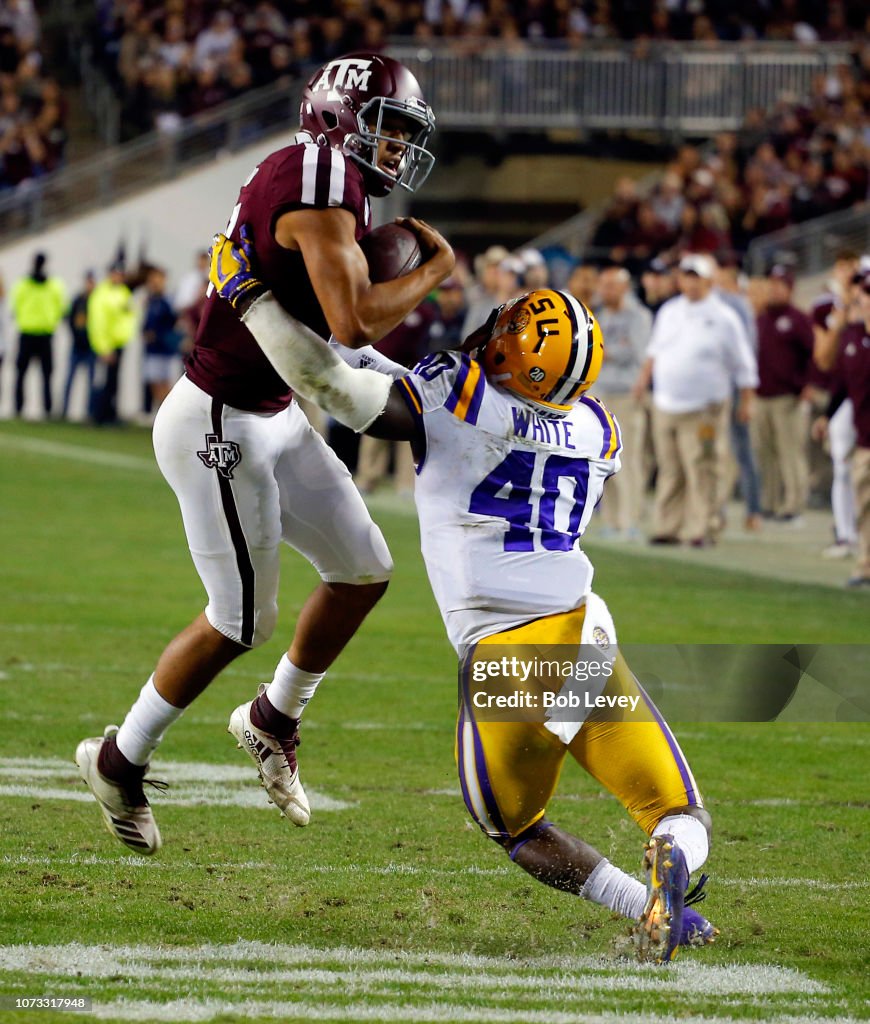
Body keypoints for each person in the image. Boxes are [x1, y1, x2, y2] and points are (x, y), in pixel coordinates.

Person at [207, 233, 718, 965]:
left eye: (508, 325)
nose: (494, 326)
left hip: (505, 657)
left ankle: (639, 904)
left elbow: (341, 391)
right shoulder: (598, 429)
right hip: (580, 637)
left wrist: (252, 299)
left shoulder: (460, 392)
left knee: (516, 827)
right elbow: (423, 388)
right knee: (676, 808)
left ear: (513, 349)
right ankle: (669, 880)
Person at [75, 52, 454, 855]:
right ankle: (117, 759)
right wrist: (438, 273)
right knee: (241, 619)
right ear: (341, 116)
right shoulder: (317, 176)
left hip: (273, 410)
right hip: (218, 421)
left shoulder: (319, 174)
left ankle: (272, 718)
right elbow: (352, 322)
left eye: (402, 134)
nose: (394, 150)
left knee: (364, 568)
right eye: (386, 129)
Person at [634, 254, 758, 546]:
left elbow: (743, 363)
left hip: (706, 407)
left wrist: (747, 401)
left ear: (709, 280)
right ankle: (669, 526)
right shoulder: (669, 310)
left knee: (703, 467)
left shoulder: (724, 316)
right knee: (670, 467)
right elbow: (654, 351)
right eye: (686, 276)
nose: (690, 282)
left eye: (696, 277)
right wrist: (642, 381)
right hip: (667, 402)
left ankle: (704, 527)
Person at [813, 269, 870, 588]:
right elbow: (841, 382)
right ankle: (865, 564)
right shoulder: (851, 336)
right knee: (864, 504)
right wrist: (828, 415)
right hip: (865, 438)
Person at [592, 265, 652, 539]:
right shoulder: (601, 315)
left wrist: (608, 351)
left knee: (628, 459)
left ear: (625, 287)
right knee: (605, 460)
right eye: (603, 285)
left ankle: (631, 520)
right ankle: (613, 520)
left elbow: (639, 354)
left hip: (628, 393)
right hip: (603, 394)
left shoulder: (638, 316)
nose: (605, 291)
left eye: (611, 285)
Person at [752, 265, 815, 523]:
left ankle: (794, 503)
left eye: (780, 285)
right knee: (765, 452)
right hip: (761, 395)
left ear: (790, 289)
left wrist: (809, 385)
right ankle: (770, 501)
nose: (775, 289)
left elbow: (813, 355)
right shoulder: (761, 319)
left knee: (790, 452)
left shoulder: (798, 319)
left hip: (788, 396)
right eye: (772, 284)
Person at [11, 252, 67, 417]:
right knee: (21, 373)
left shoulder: (53, 285)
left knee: (47, 373)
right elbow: (15, 306)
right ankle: (18, 408)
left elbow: (62, 307)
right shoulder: (23, 284)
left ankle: (47, 409)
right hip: (27, 333)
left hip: (44, 334)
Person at [88, 260, 137, 425]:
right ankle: (99, 415)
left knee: (114, 382)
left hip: (119, 344)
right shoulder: (101, 294)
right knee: (104, 381)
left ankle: (110, 414)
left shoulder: (123, 292)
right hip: (107, 345)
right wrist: (104, 348)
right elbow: (98, 323)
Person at [141, 266, 181, 413]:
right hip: (151, 349)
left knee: (163, 382)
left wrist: (157, 334)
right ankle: (161, 411)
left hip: (163, 349)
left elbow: (173, 322)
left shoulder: (167, 301)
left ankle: (169, 412)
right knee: (153, 381)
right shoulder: (151, 300)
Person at [61, 270, 96, 419]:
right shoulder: (78, 300)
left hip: (91, 347)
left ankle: (89, 412)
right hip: (77, 346)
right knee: (69, 380)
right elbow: (68, 318)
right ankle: (63, 411)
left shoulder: (97, 300)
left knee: (91, 382)